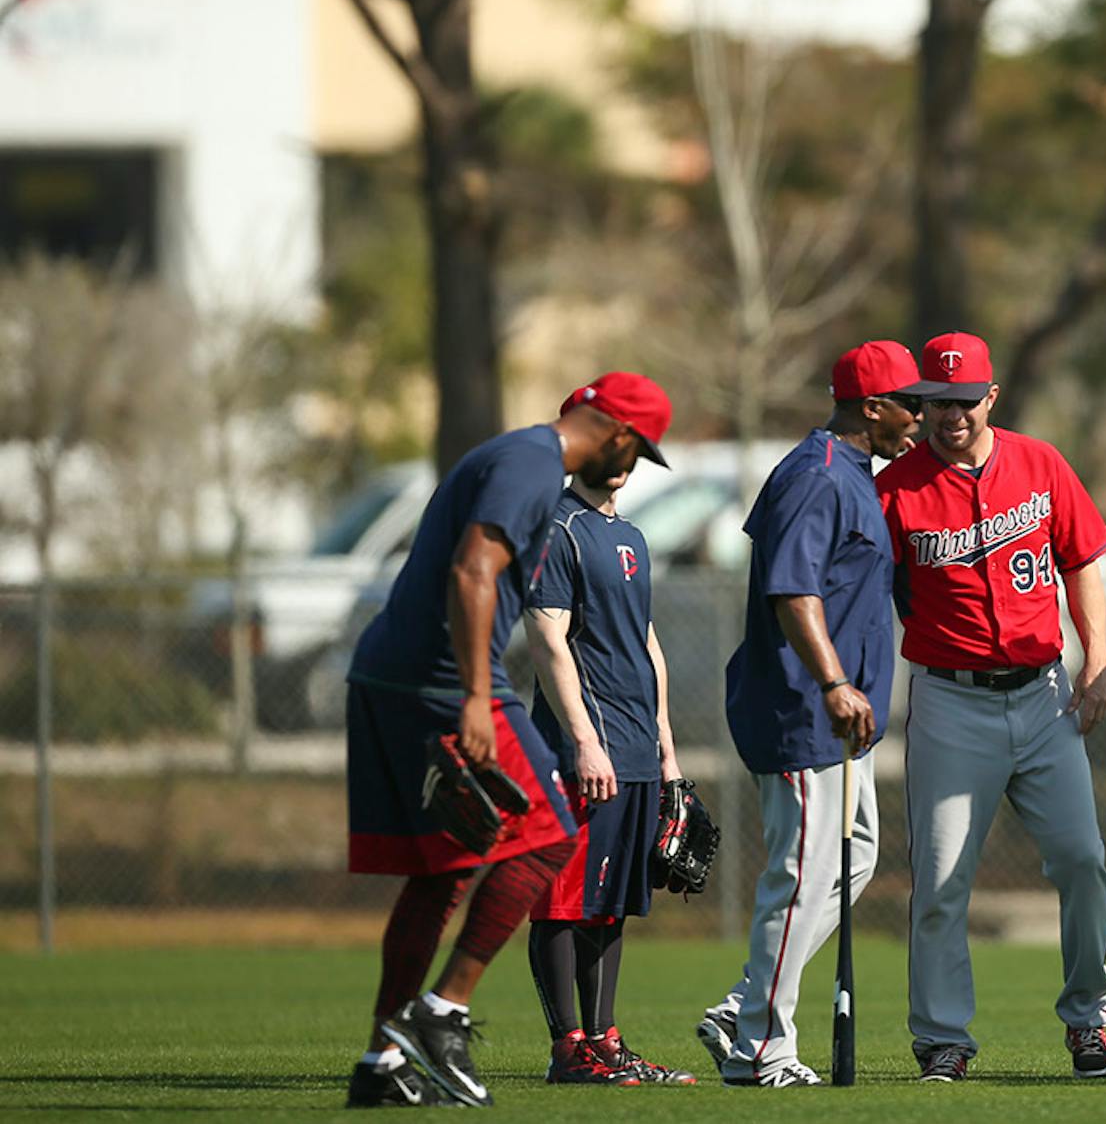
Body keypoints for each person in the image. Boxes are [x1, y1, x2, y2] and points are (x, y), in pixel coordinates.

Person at [343, 371, 673, 1108]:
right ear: (617, 433)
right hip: (438, 676)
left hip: (390, 671)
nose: (630, 466)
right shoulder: (534, 465)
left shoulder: (517, 456)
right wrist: (472, 698)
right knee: (552, 834)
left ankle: (382, 1058)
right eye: (637, 450)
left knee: (441, 873)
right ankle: (442, 1010)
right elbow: (473, 569)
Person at [877, 331, 1106, 1083]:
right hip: (951, 699)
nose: (951, 413)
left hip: (1045, 693)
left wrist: (1099, 658)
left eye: (964, 398)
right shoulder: (895, 488)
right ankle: (943, 1036)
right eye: (937, 401)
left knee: (1083, 860)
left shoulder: (1040, 462)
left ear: (991, 396)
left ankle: (1087, 1018)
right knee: (943, 876)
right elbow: (870, 589)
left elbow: (1079, 562)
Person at [695, 341, 928, 1087]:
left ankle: (744, 1003)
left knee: (854, 857)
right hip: (804, 708)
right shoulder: (818, 477)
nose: (920, 418)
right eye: (909, 403)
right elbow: (793, 592)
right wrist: (832, 683)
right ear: (871, 407)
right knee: (799, 876)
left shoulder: (853, 474)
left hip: (841, 717)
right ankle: (762, 1046)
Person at [522, 431, 696, 1087]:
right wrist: (583, 739)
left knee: (610, 900)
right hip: (582, 750)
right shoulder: (558, 529)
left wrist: (668, 749)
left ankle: (604, 1039)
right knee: (563, 900)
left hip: (636, 748)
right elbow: (546, 639)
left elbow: (646, 645)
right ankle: (569, 1046)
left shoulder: (633, 535)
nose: (622, 456)